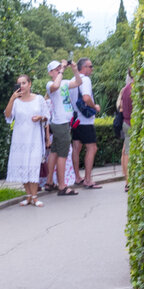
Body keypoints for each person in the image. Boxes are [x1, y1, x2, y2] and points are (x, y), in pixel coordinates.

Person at [4, 73, 49, 207]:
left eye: (24, 83)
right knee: (23, 167)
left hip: (34, 138)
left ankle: (35, 196)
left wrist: (40, 117)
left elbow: (47, 116)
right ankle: (28, 196)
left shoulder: (39, 99)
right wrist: (11, 99)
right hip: (20, 139)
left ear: (29, 84)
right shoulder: (16, 102)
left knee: (33, 166)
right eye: (19, 84)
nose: (22, 86)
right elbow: (7, 116)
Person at [44, 59, 80, 196]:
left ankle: (49, 182)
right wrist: (63, 70)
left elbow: (78, 83)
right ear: (50, 72)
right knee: (63, 155)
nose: (60, 70)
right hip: (60, 123)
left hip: (64, 122)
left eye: (60, 67)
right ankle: (62, 186)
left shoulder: (65, 83)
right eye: (57, 68)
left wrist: (75, 69)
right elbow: (56, 85)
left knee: (54, 152)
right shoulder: (50, 84)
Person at [69, 57, 101, 188]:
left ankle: (77, 177)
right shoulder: (85, 80)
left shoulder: (72, 81)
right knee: (92, 148)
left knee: (76, 148)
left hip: (75, 119)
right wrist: (95, 107)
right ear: (84, 68)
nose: (92, 69)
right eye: (90, 66)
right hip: (85, 120)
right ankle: (88, 180)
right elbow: (86, 97)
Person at [118, 74, 133, 191]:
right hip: (131, 122)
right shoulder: (133, 88)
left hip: (125, 122)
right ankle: (128, 182)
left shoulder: (125, 89)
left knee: (124, 151)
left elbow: (120, 106)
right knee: (127, 152)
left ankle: (126, 179)